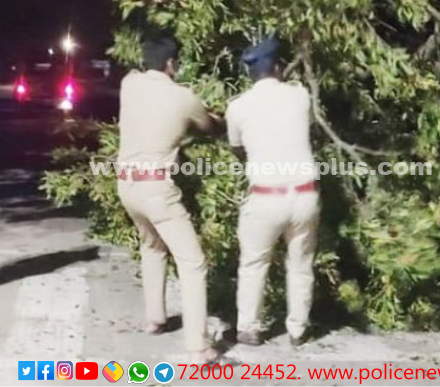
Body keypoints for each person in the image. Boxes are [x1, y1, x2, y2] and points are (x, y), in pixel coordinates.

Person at [116, 37, 222, 364]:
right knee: (193, 262)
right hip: (156, 189)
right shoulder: (183, 97)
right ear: (172, 63)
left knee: (152, 246)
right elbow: (209, 126)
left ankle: (154, 319)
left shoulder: (129, 84)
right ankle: (199, 347)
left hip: (126, 186)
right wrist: (218, 118)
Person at [226, 36, 320, 347]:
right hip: (304, 196)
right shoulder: (300, 96)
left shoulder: (237, 107)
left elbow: (237, 147)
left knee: (254, 263)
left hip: (266, 197)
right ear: (278, 68)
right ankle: (298, 329)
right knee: (301, 265)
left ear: (250, 74)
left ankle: (249, 328)